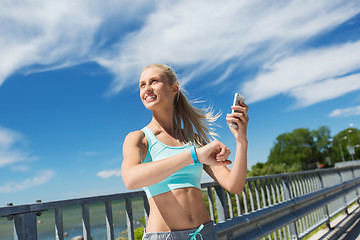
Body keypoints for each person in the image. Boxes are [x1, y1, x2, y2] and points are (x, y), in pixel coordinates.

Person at [121, 64, 249, 240]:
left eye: (154, 81)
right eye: (142, 85)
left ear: (174, 88)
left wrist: (241, 141)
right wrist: (193, 156)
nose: (147, 89)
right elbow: (130, 179)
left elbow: (234, 185)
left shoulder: (194, 140)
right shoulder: (139, 138)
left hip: (204, 234)